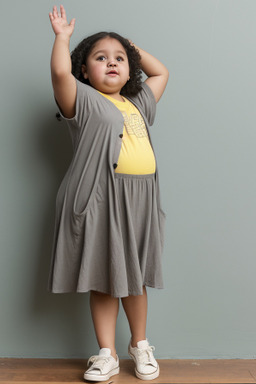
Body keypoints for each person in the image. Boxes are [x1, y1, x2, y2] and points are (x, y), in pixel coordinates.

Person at [48, 5, 169, 382]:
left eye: (119, 59)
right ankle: (107, 354)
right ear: (85, 70)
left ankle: (140, 346)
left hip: (140, 200)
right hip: (101, 199)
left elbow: (161, 71)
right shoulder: (82, 100)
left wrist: (129, 48)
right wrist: (63, 39)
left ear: (130, 69)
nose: (112, 63)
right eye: (101, 58)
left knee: (134, 276)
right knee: (104, 277)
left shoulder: (138, 102)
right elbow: (58, 72)